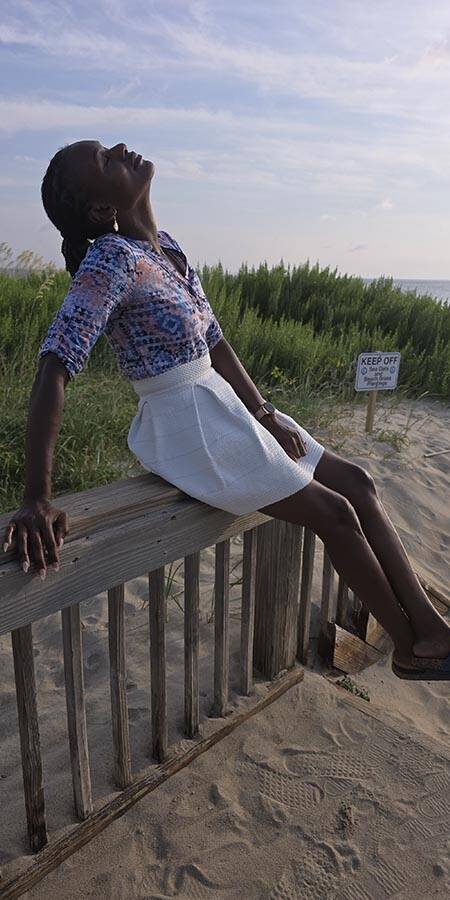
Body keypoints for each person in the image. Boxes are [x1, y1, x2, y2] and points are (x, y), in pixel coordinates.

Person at [3, 140, 450, 682]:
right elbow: (55, 363)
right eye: (103, 159)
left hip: (222, 401)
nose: (120, 148)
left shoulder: (166, 247)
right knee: (335, 513)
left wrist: (264, 415)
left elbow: (215, 342)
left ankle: (432, 628)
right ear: (102, 210)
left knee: (358, 482)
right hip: (186, 419)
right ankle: (410, 649)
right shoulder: (111, 260)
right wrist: (35, 496)